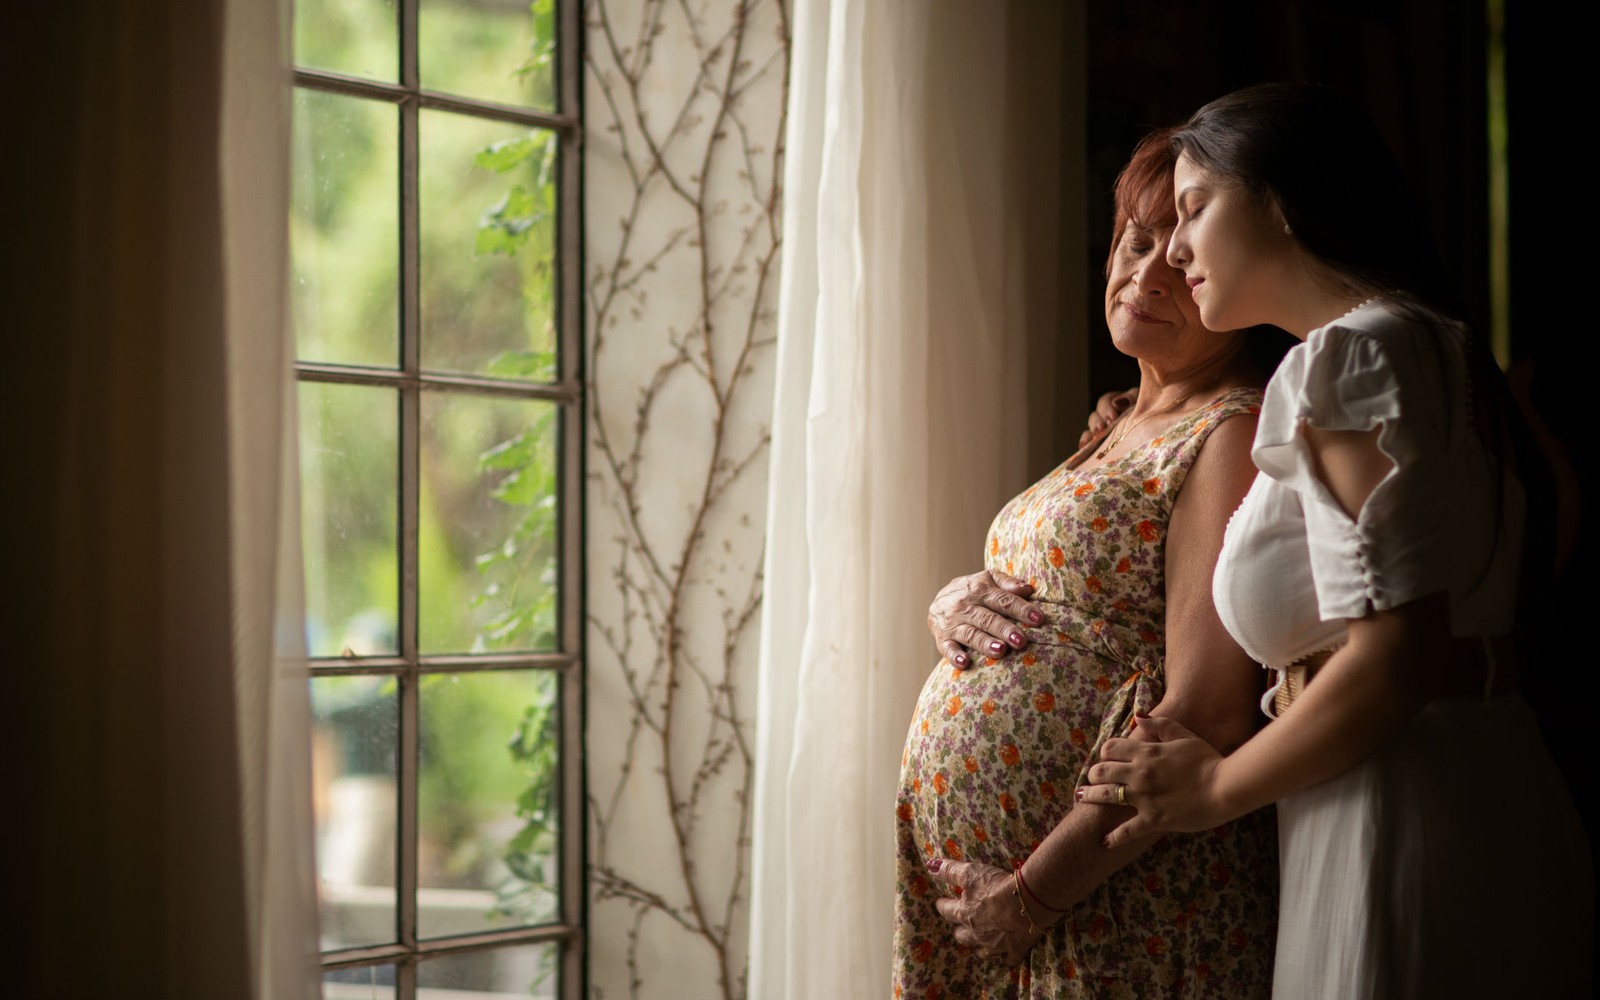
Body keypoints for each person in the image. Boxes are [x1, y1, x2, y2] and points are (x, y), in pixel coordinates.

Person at [1081, 83, 1593, 999]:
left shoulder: (1352, 356)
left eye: (1195, 209)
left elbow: (1396, 658)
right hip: (1472, 790)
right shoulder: (1437, 346)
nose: (1178, 247)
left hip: (1395, 808)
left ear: (1279, 198)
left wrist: (1211, 791)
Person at [892, 129, 1279, 999]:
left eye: (1179, 263)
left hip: (1117, 899)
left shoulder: (1230, 430)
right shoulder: (1114, 422)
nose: (1145, 276)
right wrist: (954, 605)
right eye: (1134, 244)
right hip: (1018, 902)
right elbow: (1057, 604)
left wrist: (1034, 894)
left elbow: (1210, 710)